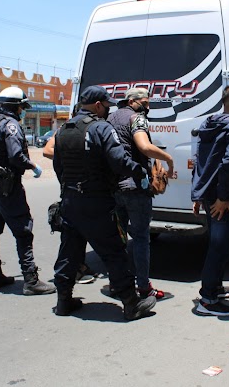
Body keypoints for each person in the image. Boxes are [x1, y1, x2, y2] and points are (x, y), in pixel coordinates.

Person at [52, 85, 156, 321]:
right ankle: (131, 304)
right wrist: (139, 171)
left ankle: (63, 301)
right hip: (96, 201)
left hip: (69, 200)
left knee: (69, 251)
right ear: (98, 105)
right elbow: (119, 160)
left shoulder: (63, 130)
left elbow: (58, 167)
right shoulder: (100, 127)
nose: (107, 111)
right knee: (114, 252)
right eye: (106, 106)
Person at [0, 86, 56, 296]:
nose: (23, 111)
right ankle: (31, 280)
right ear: (15, 107)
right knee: (23, 229)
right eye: (22, 107)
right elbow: (15, 155)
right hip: (8, 185)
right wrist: (33, 166)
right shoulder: (10, 125)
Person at [191, 84, 229, 317]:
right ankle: (207, 300)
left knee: (222, 243)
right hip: (222, 197)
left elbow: (200, 161)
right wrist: (223, 197)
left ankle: (214, 286)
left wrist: (198, 195)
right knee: (221, 246)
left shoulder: (209, 123)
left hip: (210, 194)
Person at [107, 88, 174, 299]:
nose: (148, 107)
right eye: (145, 102)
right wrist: (168, 159)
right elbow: (144, 146)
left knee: (118, 238)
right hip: (135, 186)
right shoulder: (137, 119)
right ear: (132, 101)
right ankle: (144, 287)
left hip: (113, 187)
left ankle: (117, 284)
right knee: (141, 238)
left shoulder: (109, 119)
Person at [42, 102, 97, 285]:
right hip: (73, 188)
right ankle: (75, 270)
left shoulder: (87, 129)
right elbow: (47, 150)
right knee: (75, 234)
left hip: (76, 188)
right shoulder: (66, 130)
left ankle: (75, 270)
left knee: (77, 233)